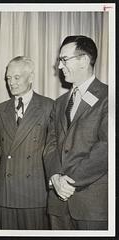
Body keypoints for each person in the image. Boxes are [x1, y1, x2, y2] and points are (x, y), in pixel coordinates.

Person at [0, 56, 53, 229]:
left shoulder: (49, 107)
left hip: (35, 195)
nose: (11, 83)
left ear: (30, 77)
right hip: (6, 194)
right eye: (8, 78)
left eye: (17, 77)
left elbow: (53, 152)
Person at [43, 35, 108, 230]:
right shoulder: (60, 103)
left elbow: (106, 147)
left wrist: (69, 181)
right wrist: (55, 176)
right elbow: (50, 144)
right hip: (58, 204)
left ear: (84, 60)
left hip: (92, 205)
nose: (59, 66)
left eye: (64, 60)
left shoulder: (108, 97)